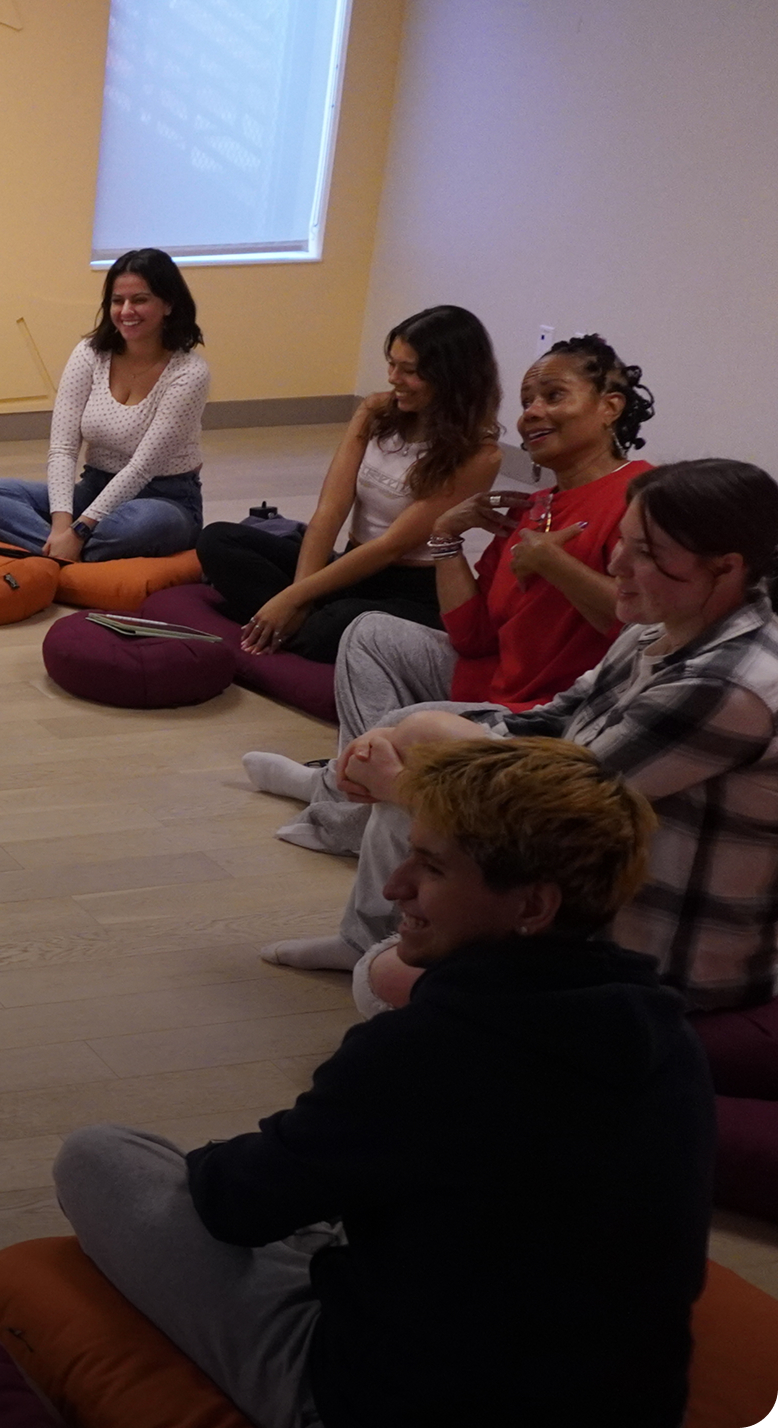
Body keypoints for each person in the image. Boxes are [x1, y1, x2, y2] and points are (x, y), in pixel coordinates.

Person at [57, 738, 712, 1428]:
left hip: (395, 1401)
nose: (394, 886)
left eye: (430, 867)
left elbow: (235, 1203)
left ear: (533, 906)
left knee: (102, 1157)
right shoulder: (668, 1035)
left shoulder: (430, 1052)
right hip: (628, 1402)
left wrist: (258, 1164)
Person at [267, 460, 778, 1218]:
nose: (615, 563)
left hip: (656, 961)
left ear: (727, 567)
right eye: (624, 542)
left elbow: (555, 806)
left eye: (642, 553)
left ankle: (472, 1086)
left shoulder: (730, 685)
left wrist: (408, 776)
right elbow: (551, 719)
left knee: (387, 977)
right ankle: (346, 819)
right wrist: (409, 743)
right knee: (412, 735)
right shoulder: (662, 628)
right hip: (577, 879)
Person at [244, 335, 656, 851]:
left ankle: (343, 802)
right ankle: (359, 795)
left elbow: (639, 627)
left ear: (609, 407)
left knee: (404, 723)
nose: (532, 413)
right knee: (369, 632)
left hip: (552, 710)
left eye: (553, 396)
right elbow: (472, 636)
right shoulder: (534, 505)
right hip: (496, 677)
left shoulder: (642, 497)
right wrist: (445, 539)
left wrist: (553, 563)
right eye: (527, 400)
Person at [195, 306, 502, 662]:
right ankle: (289, 626)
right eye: (392, 364)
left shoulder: (481, 456)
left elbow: (390, 546)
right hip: (349, 567)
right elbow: (330, 509)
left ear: (451, 378)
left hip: (411, 590)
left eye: (410, 371)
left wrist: (291, 600)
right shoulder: (375, 411)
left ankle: (280, 626)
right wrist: (299, 593)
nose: (393, 378)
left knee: (340, 621)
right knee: (217, 540)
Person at [0, 248, 208, 562]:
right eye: (118, 301)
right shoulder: (90, 353)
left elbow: (141, 469)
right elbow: (63, 449)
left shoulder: (189, 373)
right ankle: (64, 553)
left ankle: (62, 553)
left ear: (169, 304)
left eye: (140, 300)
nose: (127, 310)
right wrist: (61, 526)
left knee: (144, 524)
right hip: (94, 486)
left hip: (163, 498)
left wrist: (80, 531)